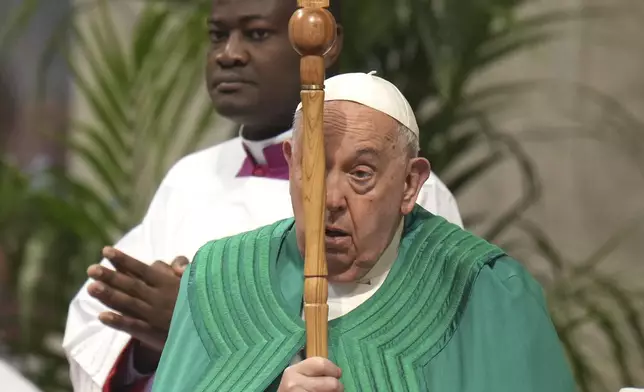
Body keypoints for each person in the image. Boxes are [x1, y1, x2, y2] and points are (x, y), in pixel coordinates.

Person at [61, 1, 463, 391]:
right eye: (218, 35)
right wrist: (149, 349)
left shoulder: (406, 190)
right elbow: (96, 333)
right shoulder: (190, 178)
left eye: (256, 34)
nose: (228, 54)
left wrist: (201, 329)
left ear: (323, 42)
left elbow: (426, 353)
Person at [152, 72, 576, 392]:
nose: (330, 198)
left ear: (410, 184)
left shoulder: (483, 290)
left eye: (360, 173)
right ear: (291, 161)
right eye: (314, 168)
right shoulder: (220, 279)